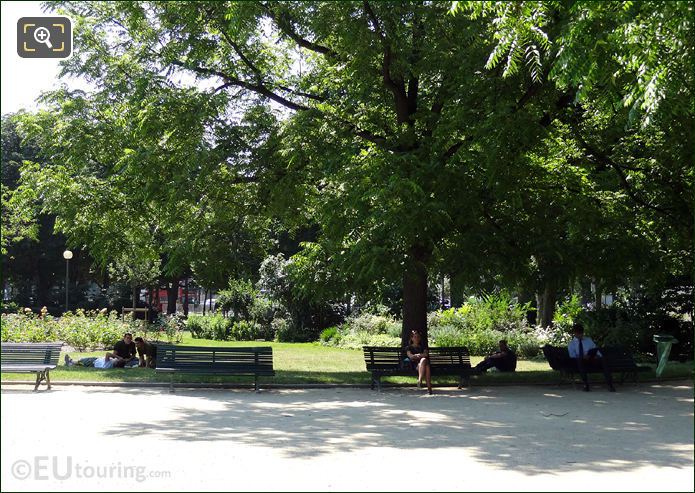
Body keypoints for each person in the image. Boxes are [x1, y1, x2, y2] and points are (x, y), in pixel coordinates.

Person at [567, 323, 615, 392]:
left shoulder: (588, 340)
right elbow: (572, 356)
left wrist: (598, 355)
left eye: (581, 333)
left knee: (603, 360)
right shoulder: (571, 344)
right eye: (578, 333)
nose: (581, 335)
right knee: (579, 361)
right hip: (580, 362)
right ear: (575, 333)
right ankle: (586, 385)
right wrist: (582, 357)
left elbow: (595, 350)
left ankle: (610, 384)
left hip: (591, 360)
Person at [403, 330, 432, 395]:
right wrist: (419, 355)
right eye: (415, 337)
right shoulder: (409, 347)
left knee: (423, 360)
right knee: (426, 366)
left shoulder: (423, 346)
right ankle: (429, 389)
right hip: (415, 365)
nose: (417, 338)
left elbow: (425, 354)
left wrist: (417, 355)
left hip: (422, 363)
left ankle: (419, 380)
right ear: (412, 338)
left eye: (418, 337)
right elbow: (410, 356)